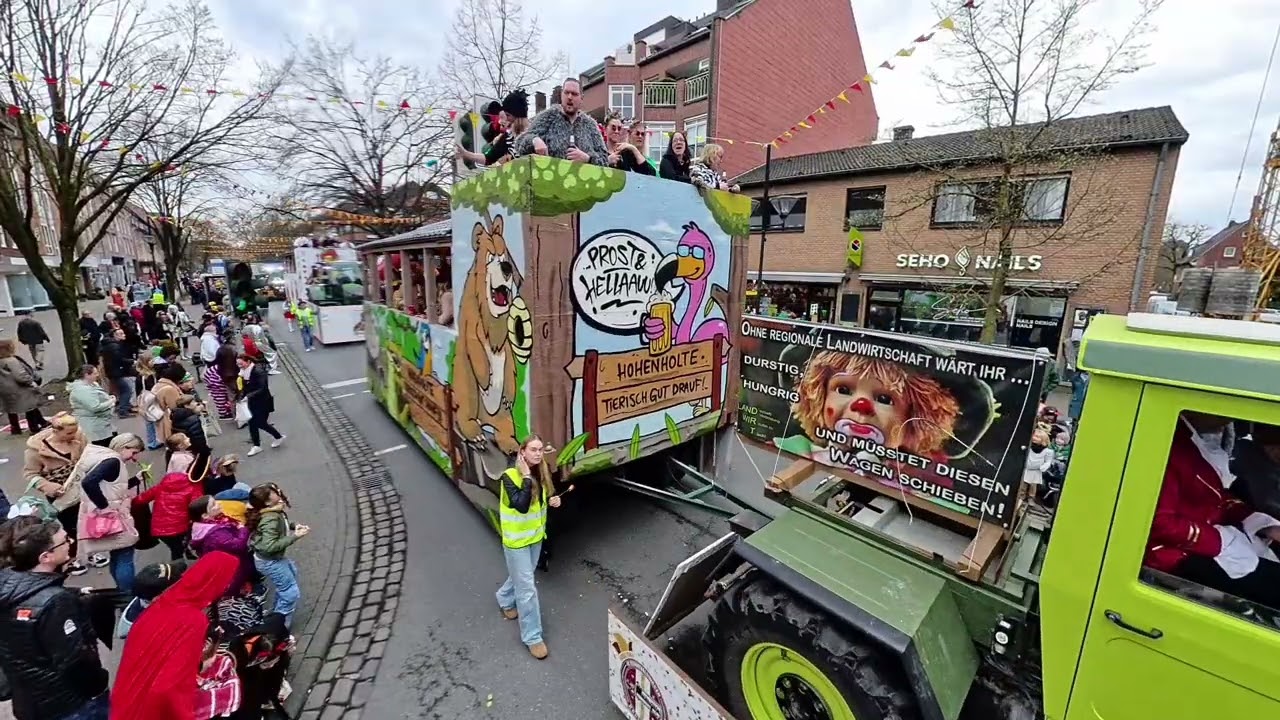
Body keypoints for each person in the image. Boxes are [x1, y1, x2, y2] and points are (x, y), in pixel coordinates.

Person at [1145, 412, 1280, 608]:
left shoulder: (1200, 440)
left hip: (1213, 537)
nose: (1227, 420)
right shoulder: (1170, 447)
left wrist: (1261, 524)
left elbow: (1217, 496)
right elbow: (1159, 522)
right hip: (1175, 553)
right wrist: (1221, 540)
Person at [0, 518, 110, 720]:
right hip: (70, 705)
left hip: (30, 703)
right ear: (45, 557)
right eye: (64, 540)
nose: (70, 541)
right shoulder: (56, 602)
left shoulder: (7, 587)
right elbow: (74, 661)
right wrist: (99, 683)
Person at [108, 552, 239, 720]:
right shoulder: (193, 621)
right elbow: (167, 686)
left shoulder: (163, 603)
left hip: (125, 699)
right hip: (149, 710)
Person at [495, 434, 560, 660]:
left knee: (522, 577)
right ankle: (533, 637)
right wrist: (524, 476)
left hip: (534, 538)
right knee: (527, 589)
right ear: (522, 452)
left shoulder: (541, 474)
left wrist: (554, 501)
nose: (538, 453)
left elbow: (539, 503)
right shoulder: (509, 477)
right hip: (516, 543)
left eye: (541, 449)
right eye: (533, 449)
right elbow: (522, 506)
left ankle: (504, 598)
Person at [75, 433, 147, 595]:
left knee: (117, 554)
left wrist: (134, 480)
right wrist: (104, 507)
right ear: (124, 447)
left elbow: (108, 485)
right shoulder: (113, 462)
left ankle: (121, 591)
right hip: (112, 515)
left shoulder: (102, 458)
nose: (134, 458)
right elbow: (89, 483)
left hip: (99, 515)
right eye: (134, 452)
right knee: (125, 554)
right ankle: (127, 594)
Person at [22, 414, 92, 575]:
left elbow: (88, 454)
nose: (74, 436)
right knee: (70, 526)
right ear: (55, 430)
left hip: (81, 486)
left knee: (88, 520)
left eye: (75, 431)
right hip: (59, 493)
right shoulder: (36, 450)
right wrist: (48, 486)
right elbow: (30, 474)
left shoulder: (78, 436)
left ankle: (91, 552)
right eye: (68, 433)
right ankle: (73, 557)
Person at [247, 484, 307, 627]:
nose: (278, 493)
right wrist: (295, 536)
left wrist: (293, 526)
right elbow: (269, 546)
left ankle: (276, 614)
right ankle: (279, 626)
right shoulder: (270, 518)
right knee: (290, 592)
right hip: (270, 561)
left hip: (272, 559)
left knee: (291, 574)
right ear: (267, 502)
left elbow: (281, 525)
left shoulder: (273, 512)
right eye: (273, 493)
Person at [512, 78, 608, 165]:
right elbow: (520, 143)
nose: (570, 97)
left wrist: (588, 158)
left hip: (584, 182)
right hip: (551, 180)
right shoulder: (547, 117)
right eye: (566, 93)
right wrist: (534, 140)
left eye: (574, 94)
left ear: (581, 98)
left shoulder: (590, 125)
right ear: (561, 94)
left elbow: (605, 159)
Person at [136, 454, 205, 562]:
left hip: (158, 529)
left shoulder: (163, 484)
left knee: (175, 547)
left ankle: (185, 552)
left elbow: (140, 500)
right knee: (177, 551)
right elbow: (198, 506)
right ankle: (177, 573)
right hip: (180, 527)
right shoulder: (194, 486)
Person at [189, 495, 254, 596]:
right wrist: (242, 529)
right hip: (234, 568)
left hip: (233, 563)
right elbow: (238, 545)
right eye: (213, 505)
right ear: (205, 515)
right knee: (236, 589)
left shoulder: (215, 521)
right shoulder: (215, 535)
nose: (219, 503)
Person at [238, 353, 285, 457]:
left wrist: (248, 396)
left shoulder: (258, 372)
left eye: (241, 364)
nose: (239, 366)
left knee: (260, 423)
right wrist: (242, 396)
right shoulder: (244, 372)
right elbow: (244, 388)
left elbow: (262, 388)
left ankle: (278, 437)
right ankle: (257, 445)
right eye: (238, 364)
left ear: (248, 362)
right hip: (253, 401)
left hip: (262, 401)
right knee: (252, 422)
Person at [0, 340, 49, 435]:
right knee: (30, 406)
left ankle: (15, 428)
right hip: (18, 389)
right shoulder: (11, 361)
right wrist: (30, 381)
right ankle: (34, 427)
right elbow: (20, 376)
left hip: (4, 390)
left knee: (11, 408)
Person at [68, 365, 116, 448]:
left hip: (102, 424)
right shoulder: (82, 390)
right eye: (95, 373)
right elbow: (95, 407)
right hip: (94, 428)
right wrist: (111, 402)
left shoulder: (92, 385)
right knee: (103, 449)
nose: (97, 375)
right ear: (87, 375)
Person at [98, 328, 137, 418]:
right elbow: (118, 359)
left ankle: (126, 407)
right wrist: (131, 361)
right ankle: (123, 410)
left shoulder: (111, 345)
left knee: (123, 389)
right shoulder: (114, 346)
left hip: (113, 371)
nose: (124, 335)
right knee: (126, 390)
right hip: (116, 372)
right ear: (115, 335)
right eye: (121, 333)